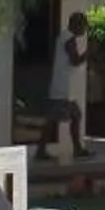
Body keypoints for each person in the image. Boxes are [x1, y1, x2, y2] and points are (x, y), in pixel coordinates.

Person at [44, 10, 91, 160]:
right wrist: (89, 53)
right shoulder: (69, 39)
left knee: (58, 118)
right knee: (71, 116)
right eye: (83, 26)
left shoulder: (64, 37)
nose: (84, 30)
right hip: (62, 87)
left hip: (61, 86)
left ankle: (76, 149)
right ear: (76, 25)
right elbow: (75, 60)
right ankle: (77, 149)